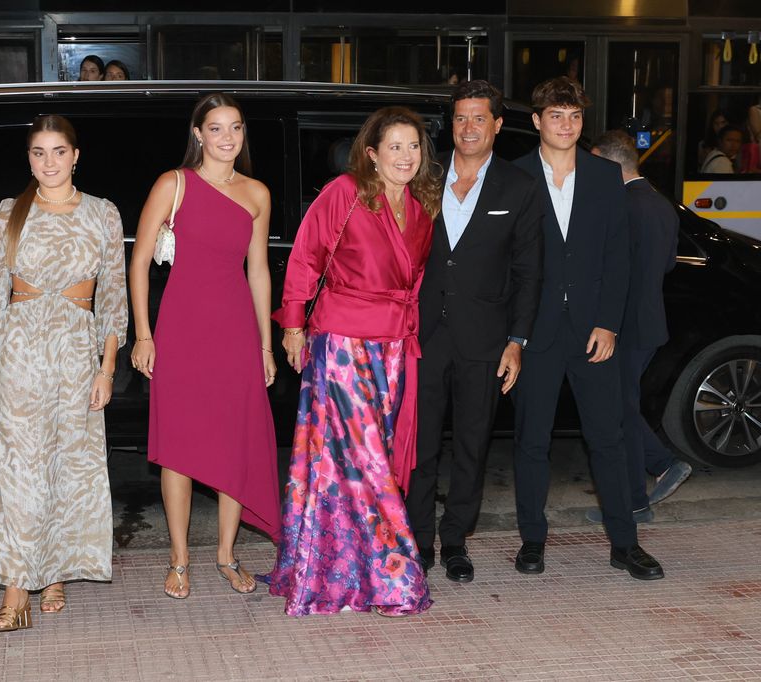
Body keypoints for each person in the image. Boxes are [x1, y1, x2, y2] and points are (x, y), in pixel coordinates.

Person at [269, 106, 438, 617]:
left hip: (393, 346)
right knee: (363, 460)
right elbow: (305, 257)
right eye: (395, 147)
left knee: (364, 461)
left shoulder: (422, 203)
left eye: (414, 147)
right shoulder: (345, 192)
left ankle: (344, 570)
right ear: (372, 153)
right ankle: (393, 574)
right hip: (342, 341)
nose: (406, 156)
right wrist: (294, 325)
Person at [0, 114, 127, 632]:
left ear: (76, 155)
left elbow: (112, 299)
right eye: (39, 153)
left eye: (59, 151)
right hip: (22, 348)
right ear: (29, 158)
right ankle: (16, 592)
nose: (49, 162)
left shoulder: (103, 214)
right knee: (21, 470)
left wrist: (107, 369)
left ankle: (53, 571)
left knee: (69, 465)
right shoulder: (9, 213)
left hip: (77, 352)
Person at [511, 77, 664, 581]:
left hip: (594, 333)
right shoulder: (515, 178)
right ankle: (532, 539)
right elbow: (509, 264)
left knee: (609, 438)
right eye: (556, 116)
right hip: (537, 331)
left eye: (574, 116)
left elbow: (619, 256)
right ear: (536, 121)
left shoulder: (603, 175)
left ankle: (625, 543)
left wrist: (609, 324)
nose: (566, 125)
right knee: (532, 440)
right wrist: (514, 335)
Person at [129, 93, 280, 600]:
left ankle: (226, 555)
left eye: (235, 127)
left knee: (234, 443)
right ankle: (178, 559)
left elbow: (258, 271)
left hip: (237, 330)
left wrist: (266, 345)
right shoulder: (173, 184)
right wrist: (144, 334)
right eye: (215, 129)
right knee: (179, 448)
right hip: (181, 328)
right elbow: (139, 263)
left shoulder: (257, 192)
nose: (227, 138)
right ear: (198, 134)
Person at [404, 80, 543, 583]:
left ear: (498, 125)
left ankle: (456, 540)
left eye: (479, 118)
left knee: (471, 445)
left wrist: (517, 341)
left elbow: (530, 271)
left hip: (486, 339)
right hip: (420, 332)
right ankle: (418, 539)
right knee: (418, 446)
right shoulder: (421, 171)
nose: (468, 127)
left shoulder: (520, 188)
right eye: (460, 118)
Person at [586, 131, 690, 525]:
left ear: (611, 166)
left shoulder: (623, 207)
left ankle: (637, 495)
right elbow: (666, 266)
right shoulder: (662, 204)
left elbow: (610, 271)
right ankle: (642, 490)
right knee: (622, 407)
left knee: (619, 411)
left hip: (623, 326)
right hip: (649, 323)